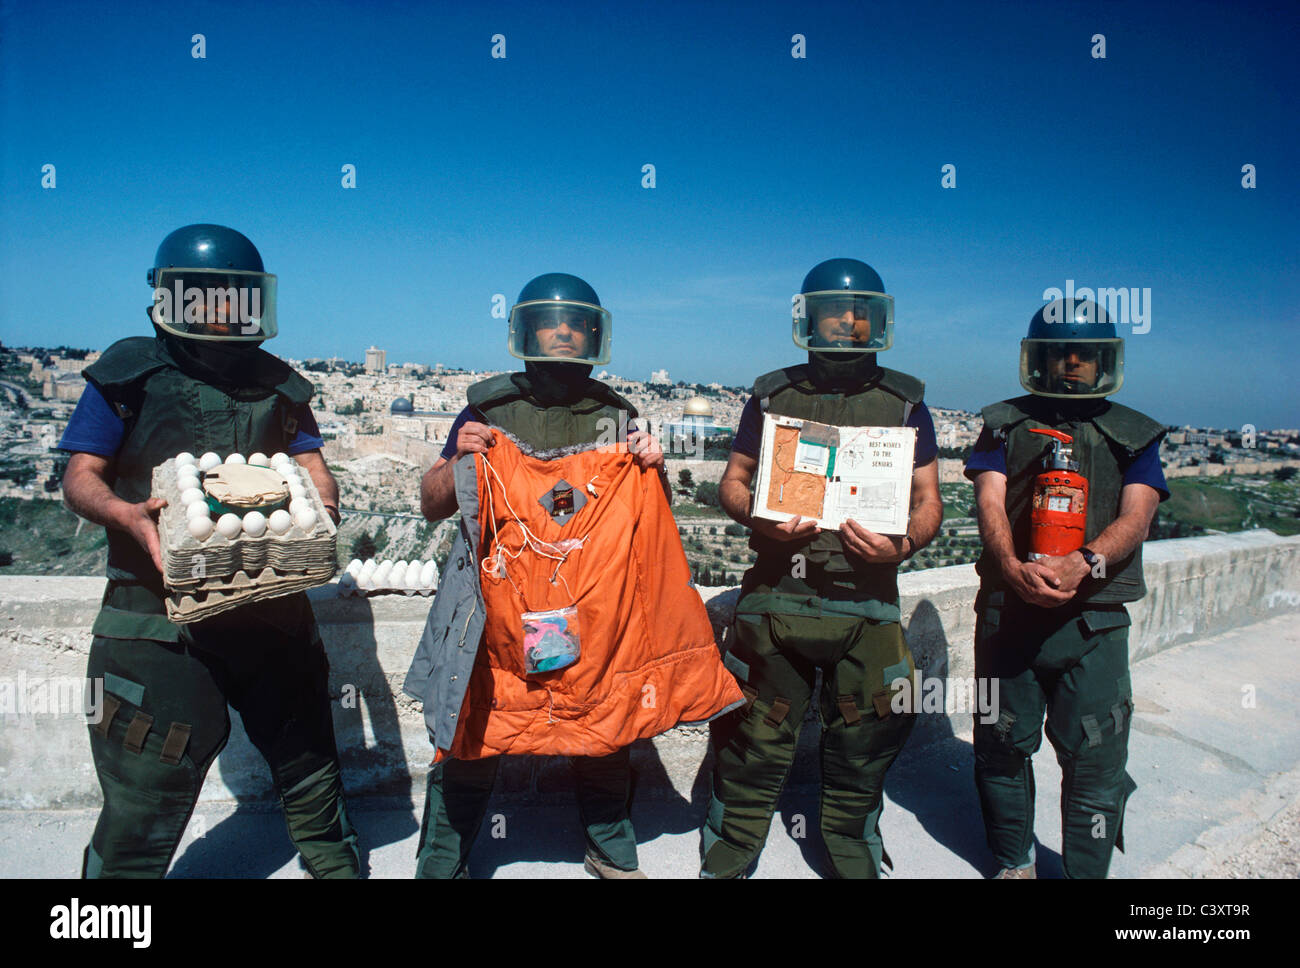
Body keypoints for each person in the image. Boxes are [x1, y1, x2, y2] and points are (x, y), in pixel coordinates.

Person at [60, 223, 359, 878]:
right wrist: (124, 514)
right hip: (153, 619)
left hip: (270, 609)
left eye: (234, 297)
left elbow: (312, 465)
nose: (221, 310)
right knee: (143, 798)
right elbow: (81, 476)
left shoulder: (282, 385)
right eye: (205, 296)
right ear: (174, 298)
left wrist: (323, 509)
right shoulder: (129, 373)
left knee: (311, 772)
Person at [406, 271, 722, 879]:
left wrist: (651, 466)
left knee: (602, 727)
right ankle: (441, 863)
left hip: (590, 601)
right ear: (526, 332)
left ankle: (610, 849)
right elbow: (432, 502)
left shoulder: (615, 414)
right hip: (495, 601)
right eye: (548, 325)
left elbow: (647, 519)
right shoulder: (486, 408)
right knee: (474, 728)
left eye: (573, 326)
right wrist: (462, 457)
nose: (560, 336)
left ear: (591, 335)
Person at [700, 258, 943, 878]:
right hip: (778, 594)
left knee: (869, 735)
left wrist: (902, 547)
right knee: (754, 735)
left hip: (867, 600)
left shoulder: (906, 403)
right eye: (835, 311)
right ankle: (728, 853)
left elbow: (928, 501)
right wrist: (759, 519)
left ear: (877, 321)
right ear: (808, 318)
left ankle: (853, 849)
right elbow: (734, 482)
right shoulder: (770, 396)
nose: (846, 322)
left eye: (859, 312)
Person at [964, 296, 1167, 878]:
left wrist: (1085, 563)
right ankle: (1013, 862)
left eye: (1084, 354)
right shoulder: (1003, 423)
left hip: (1095, 621)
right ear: (1040, 359)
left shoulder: (1133, 434)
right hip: (1009, 613)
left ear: (1104, 360)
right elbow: (990, 500)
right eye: (1061, 353)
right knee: (1000, 746)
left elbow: (1138, 515)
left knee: (1096, 759)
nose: (1072, 363)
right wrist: (1009, 564)